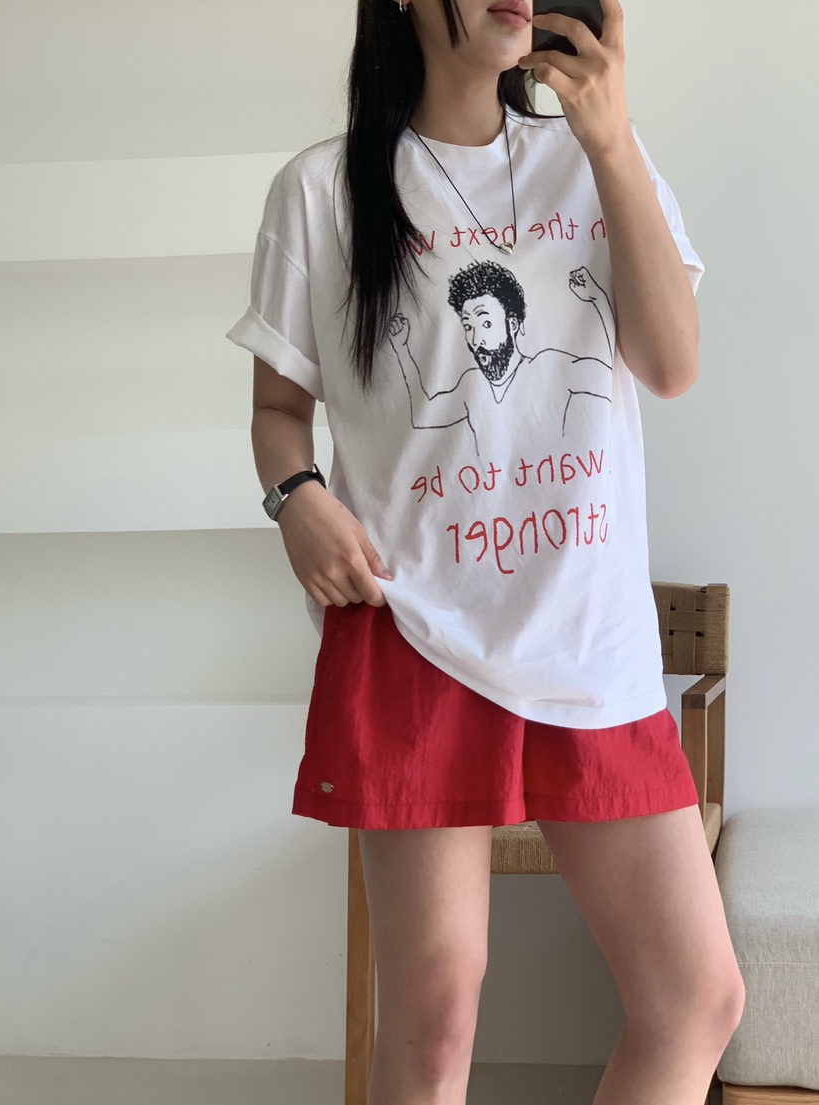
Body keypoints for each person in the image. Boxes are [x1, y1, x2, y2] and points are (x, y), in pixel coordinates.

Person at [225, 0, 745, 1102]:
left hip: (584, 632)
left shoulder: (596, 158)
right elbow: (278, 410)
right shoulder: (322, 191)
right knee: (434, 1018)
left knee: (695, 997)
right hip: (417, 627)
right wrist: (295, 497)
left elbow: (671, 363)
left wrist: (609, 140)